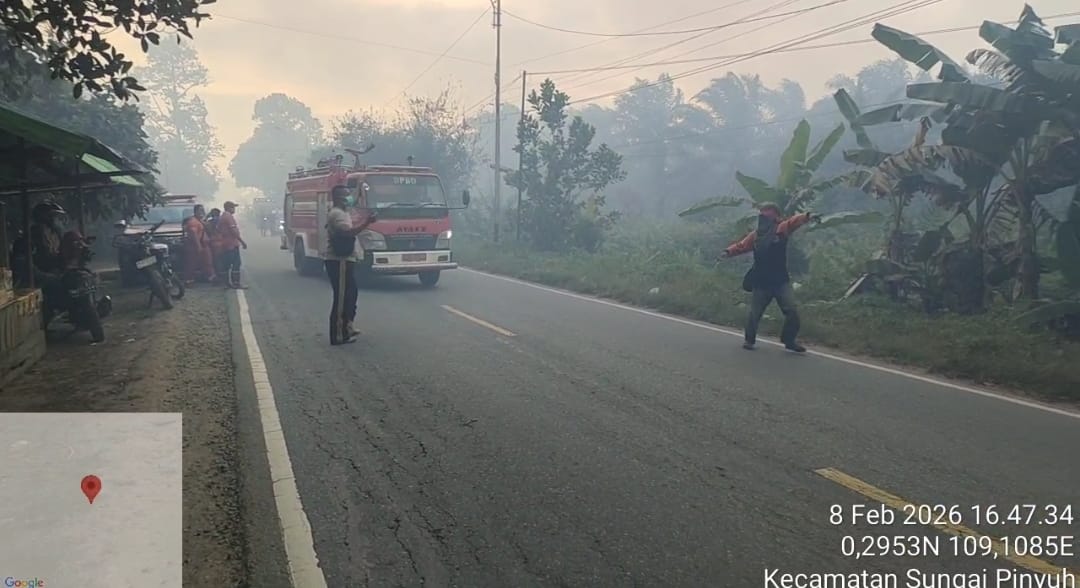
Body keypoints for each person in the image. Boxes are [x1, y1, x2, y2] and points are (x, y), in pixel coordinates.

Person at [722, 203, 820, 352]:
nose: (763, 216)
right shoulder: (755, 235)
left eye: (767, 213)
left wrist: (807, 216)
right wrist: (728, 252)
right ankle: (749, 340)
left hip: (780, 280)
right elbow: (741, 246)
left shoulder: (781, 229)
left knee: (792, 311)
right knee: (754, 314)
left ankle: (789, 340)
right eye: (762, 214)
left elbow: (794, 221)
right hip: (761, 281)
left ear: (776, 215)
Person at [325, 184, 377, 345]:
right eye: (346, 195)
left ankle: (347, 327)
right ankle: (338, 335)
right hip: (339, 260)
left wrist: (360, 190)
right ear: (338, 198)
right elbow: (348, 233)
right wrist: (367, 222)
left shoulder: (343, 212)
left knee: (350, 294)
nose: (349, 198)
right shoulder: (338, 214)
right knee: (341, 299)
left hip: (346, 260)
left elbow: (355, 200)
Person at [217, 201, 248, 289]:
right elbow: (234, 231)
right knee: (236, 263)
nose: (234, 209)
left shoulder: (222, 216)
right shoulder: (228, 216)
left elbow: (218, 229)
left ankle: (226, 284)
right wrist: (242, 241)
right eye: (233, 207)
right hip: (231, 243)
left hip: (225, 243)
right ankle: (236, 283)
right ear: (229, 208)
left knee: (226, 264)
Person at [183, 204, 216, 285]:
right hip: (196, 246)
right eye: (200, 210)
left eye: (202, 210)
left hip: (202, 245)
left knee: (207, 263)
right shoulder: (193, 221)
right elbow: (193, 234)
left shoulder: (199, 221)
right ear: (196, 211)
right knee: (192, 264)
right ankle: (189, 280)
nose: (202, 211)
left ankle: (211, 277)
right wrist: (198, 246)